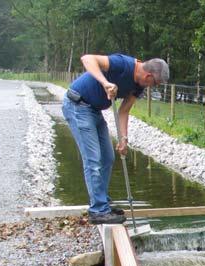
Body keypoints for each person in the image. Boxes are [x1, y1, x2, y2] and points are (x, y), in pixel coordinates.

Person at [62, 54, 169, 224]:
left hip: (94, 111)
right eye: (154, 84)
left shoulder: (138, 86)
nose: (152, 87)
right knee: (93, 159)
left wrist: (123, 138)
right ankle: (98, 210)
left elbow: (123, 112)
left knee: (108, 157)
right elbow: (87, 58)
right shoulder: (123, 64)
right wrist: (105, 83)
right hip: (78, 106)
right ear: (149, 76)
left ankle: (102, 202)